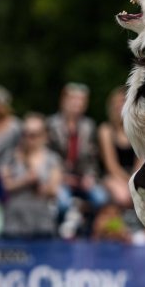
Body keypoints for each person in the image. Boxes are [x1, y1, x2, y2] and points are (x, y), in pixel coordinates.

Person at [47, 83, 107, 221]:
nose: (77, 103)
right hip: (59, 177)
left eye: (81, 100)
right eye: (73, 99)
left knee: (101, 198)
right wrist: (62, 176)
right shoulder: (51, 124)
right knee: (62, 203)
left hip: (82, 178)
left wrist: (90, 176)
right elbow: (48, 156)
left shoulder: (89, 126)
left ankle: (87, 230)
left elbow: (93, 158)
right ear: (63, 101)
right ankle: (59, 233)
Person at [1, 113, 63, 239]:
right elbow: (3, 186)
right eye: (25, 134)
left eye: (34, 135)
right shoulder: (10, 157)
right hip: (14, 224)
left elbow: (54, 191)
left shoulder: (53, 159)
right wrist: (25, 181)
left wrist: (40, 186)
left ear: (44, 136)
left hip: (42, 223)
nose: (29, 139)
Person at [98, 87, 139, 209]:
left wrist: (136, 181)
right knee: (123, 195)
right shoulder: (106, 130)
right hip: (113, 176)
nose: (120, 105)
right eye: (117, 102)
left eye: (124, 101)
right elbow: (111, 165)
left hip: (136, 175)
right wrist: (128, 181)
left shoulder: (138, 131)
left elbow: (141, 162)